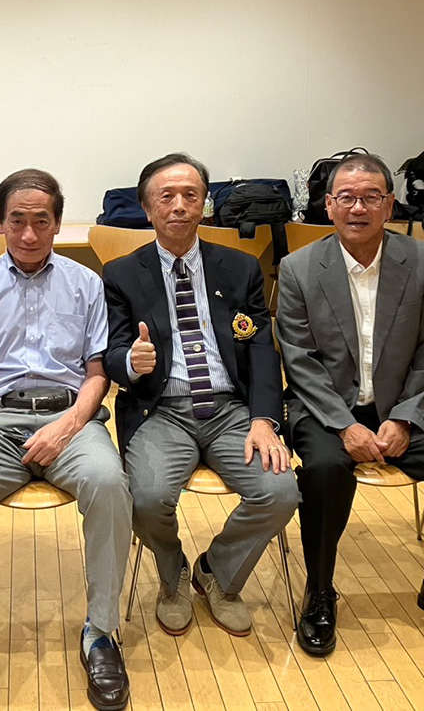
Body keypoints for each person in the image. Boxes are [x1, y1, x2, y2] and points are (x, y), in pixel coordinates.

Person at [276, 152, 424, 656]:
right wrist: (344, 425)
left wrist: (403, 418)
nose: (359, 208)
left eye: (371, 197)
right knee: (324, 471)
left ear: (390, 205)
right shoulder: (298, 269)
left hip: (404, 407)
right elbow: (300, 360)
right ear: (329, 205)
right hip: (327, 411)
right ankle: (320, 589)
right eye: (347, 198)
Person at [0, 169, 131, 711]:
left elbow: (97, 373)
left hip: (70, 418)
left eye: (41, 221)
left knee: (110, 484)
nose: (28, 233)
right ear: (0, 223)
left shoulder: (86, 284)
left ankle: (101, 633)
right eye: (16, 220)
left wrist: (69, 424)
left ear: (58, 224)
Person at [102, 153, 298, 640]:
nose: (179, 206)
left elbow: (260, 347)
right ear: (147, 208)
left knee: (280, 493)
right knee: (146, 498)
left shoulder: (240, 267)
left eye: (191, 195)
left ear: (205, 205)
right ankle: (172, 576)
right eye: (166, 196)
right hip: (159, 409)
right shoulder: (121, 273)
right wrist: (131, 362)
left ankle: (218, 572)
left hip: (231, 409)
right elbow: (111, 353)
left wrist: (264, 420)